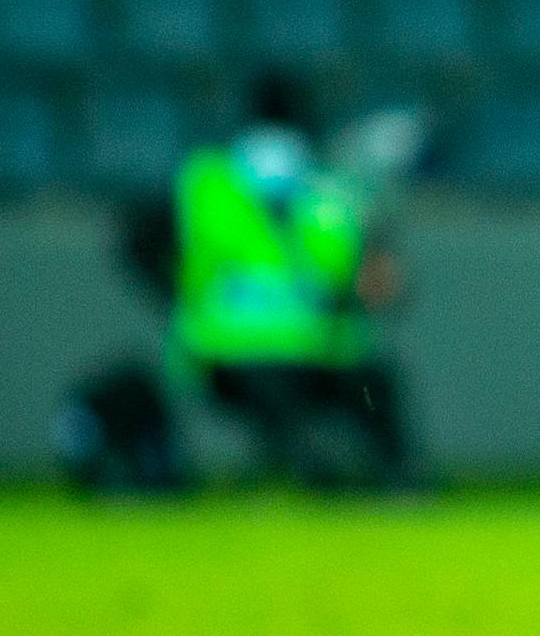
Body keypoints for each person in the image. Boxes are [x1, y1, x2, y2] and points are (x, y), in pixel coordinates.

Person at [97, 72, 418, 493]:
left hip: (297, 352)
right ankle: (328, 472)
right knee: (298, 387)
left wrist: (178, 297)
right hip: (238, 355)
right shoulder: (325, 191)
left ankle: (388, 479)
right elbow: (377, 282)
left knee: (369, 382)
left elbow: (372, 281)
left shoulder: (217, 183)